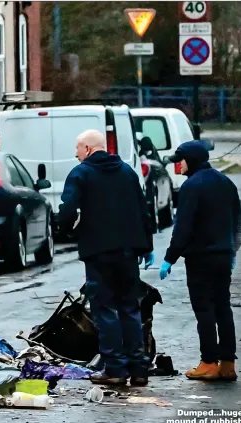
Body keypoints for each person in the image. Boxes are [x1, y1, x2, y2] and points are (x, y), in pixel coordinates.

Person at [58, 129, 155, 386]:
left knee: (105, 310)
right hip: (128, 252)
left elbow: (67, 209)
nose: (76, 153)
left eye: (78, 148)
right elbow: (142, 209)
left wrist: (67, 229)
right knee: (130, 308)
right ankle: (139, 370)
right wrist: (146, 246)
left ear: (88, 149)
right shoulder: (127, 172)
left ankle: (115, 369)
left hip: (98, 251)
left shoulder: (81, 173)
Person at [159, 140, 241, 381]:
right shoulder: (226, 182)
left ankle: (208, 362)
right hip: (223, 256)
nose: (177, 166)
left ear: (191, 160)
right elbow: (237, 220)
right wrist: (232, 250)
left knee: (204, 309)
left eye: (180, 161)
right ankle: (227, 364)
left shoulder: (191, 187)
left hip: (200, 258)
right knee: (223, 308)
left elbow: (183, 227)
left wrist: (169, 258)